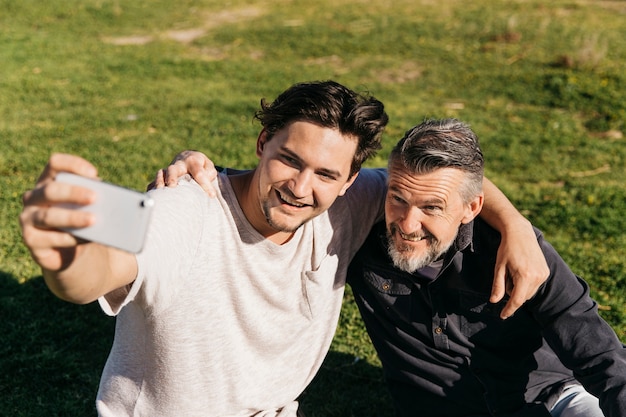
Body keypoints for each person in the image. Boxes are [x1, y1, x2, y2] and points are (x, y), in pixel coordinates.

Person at [20, 81, 547, 417]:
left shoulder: (351, 201)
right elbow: (103, 265)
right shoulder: (188, 208)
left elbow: (443, 181)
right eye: (289, 160)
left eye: (324, 174)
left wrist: (516, 224)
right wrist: (66, 255)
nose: (300, 187)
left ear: (350, 180)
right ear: (261, 143)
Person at [345, 119, 626, 416]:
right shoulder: (359, 235)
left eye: (432, 208)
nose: (407, 224)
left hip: (551, 399)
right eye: (398, 198)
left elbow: (602, 356)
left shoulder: (516, 250)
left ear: (472, 208)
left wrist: (514, 224)